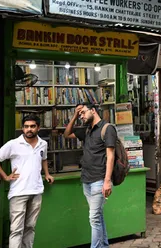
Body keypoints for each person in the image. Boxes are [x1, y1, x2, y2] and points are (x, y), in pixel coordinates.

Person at [0, 115, 54, 248]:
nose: (29, 129)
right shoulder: (13, 144)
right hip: (18, 192)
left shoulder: (43, 144)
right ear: (22, 128)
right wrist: (5, 177)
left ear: (38, 128)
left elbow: (44, 158)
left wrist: (47, 174)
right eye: (26, 126)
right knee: (16, 230)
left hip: (36, 191)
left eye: (32, 126)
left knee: (30, 227)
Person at [64, 104, 117, 248]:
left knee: (94, 218)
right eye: (79, 114)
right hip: (86, 180)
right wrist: (74, 115)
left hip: (99, 180)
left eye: (83, 113)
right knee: (97, 216)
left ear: (93, 110)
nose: (81, 116)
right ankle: (103, 245)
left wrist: (107, 181)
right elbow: (67, 134)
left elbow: (110, 156)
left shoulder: (107, 128)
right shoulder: (86, 130)